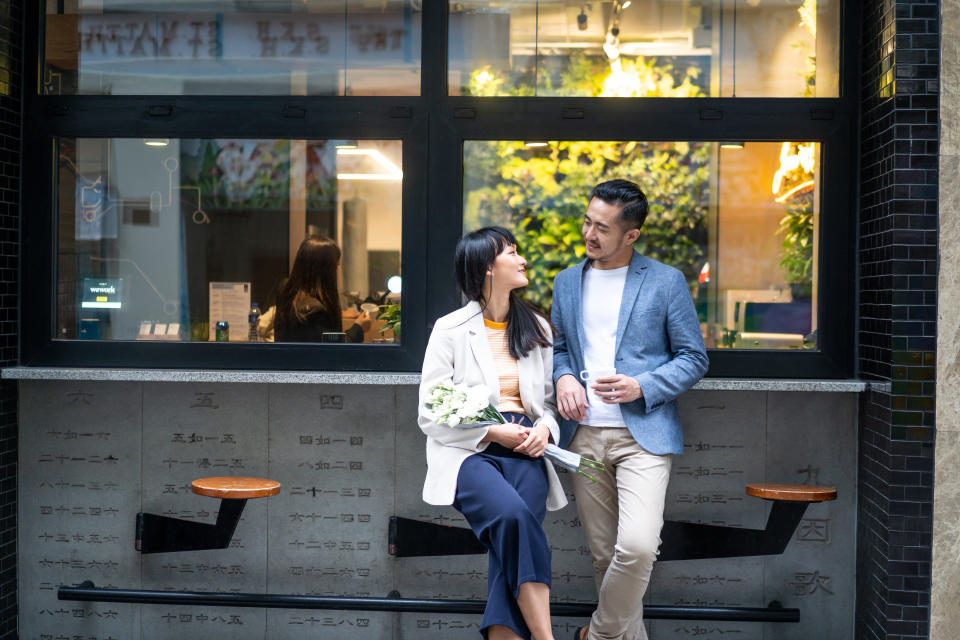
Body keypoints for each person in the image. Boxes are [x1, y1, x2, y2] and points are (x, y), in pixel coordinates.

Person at [551, 180, 709, 640]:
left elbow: (694, 358)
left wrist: (642, 384)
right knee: (603, 556)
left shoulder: (665, 281)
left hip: (644, 436)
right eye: (587, 221)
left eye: (601, 227)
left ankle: (596, 635)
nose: (589, 233)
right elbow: (560, 348)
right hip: (583, 436)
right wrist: (562, 376)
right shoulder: (566, 281)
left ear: (631, 235)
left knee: (637, 548)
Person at [418, 226, 567, 640]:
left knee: (510, 547)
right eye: (512, 252)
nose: (522, 259)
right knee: (515, 518)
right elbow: (429, 413)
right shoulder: (449, 329)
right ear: (486, 267)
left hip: (527, 446)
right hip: (470, 448)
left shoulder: (537, 327)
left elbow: (551, 404)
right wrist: (491, 433)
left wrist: (545, 429)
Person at [273, 235, 373, 343]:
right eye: (336, 266)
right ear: (327, 270)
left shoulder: (288, 294)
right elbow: (334, 349)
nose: (338, 270)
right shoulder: (315, 311)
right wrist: (359, 327)